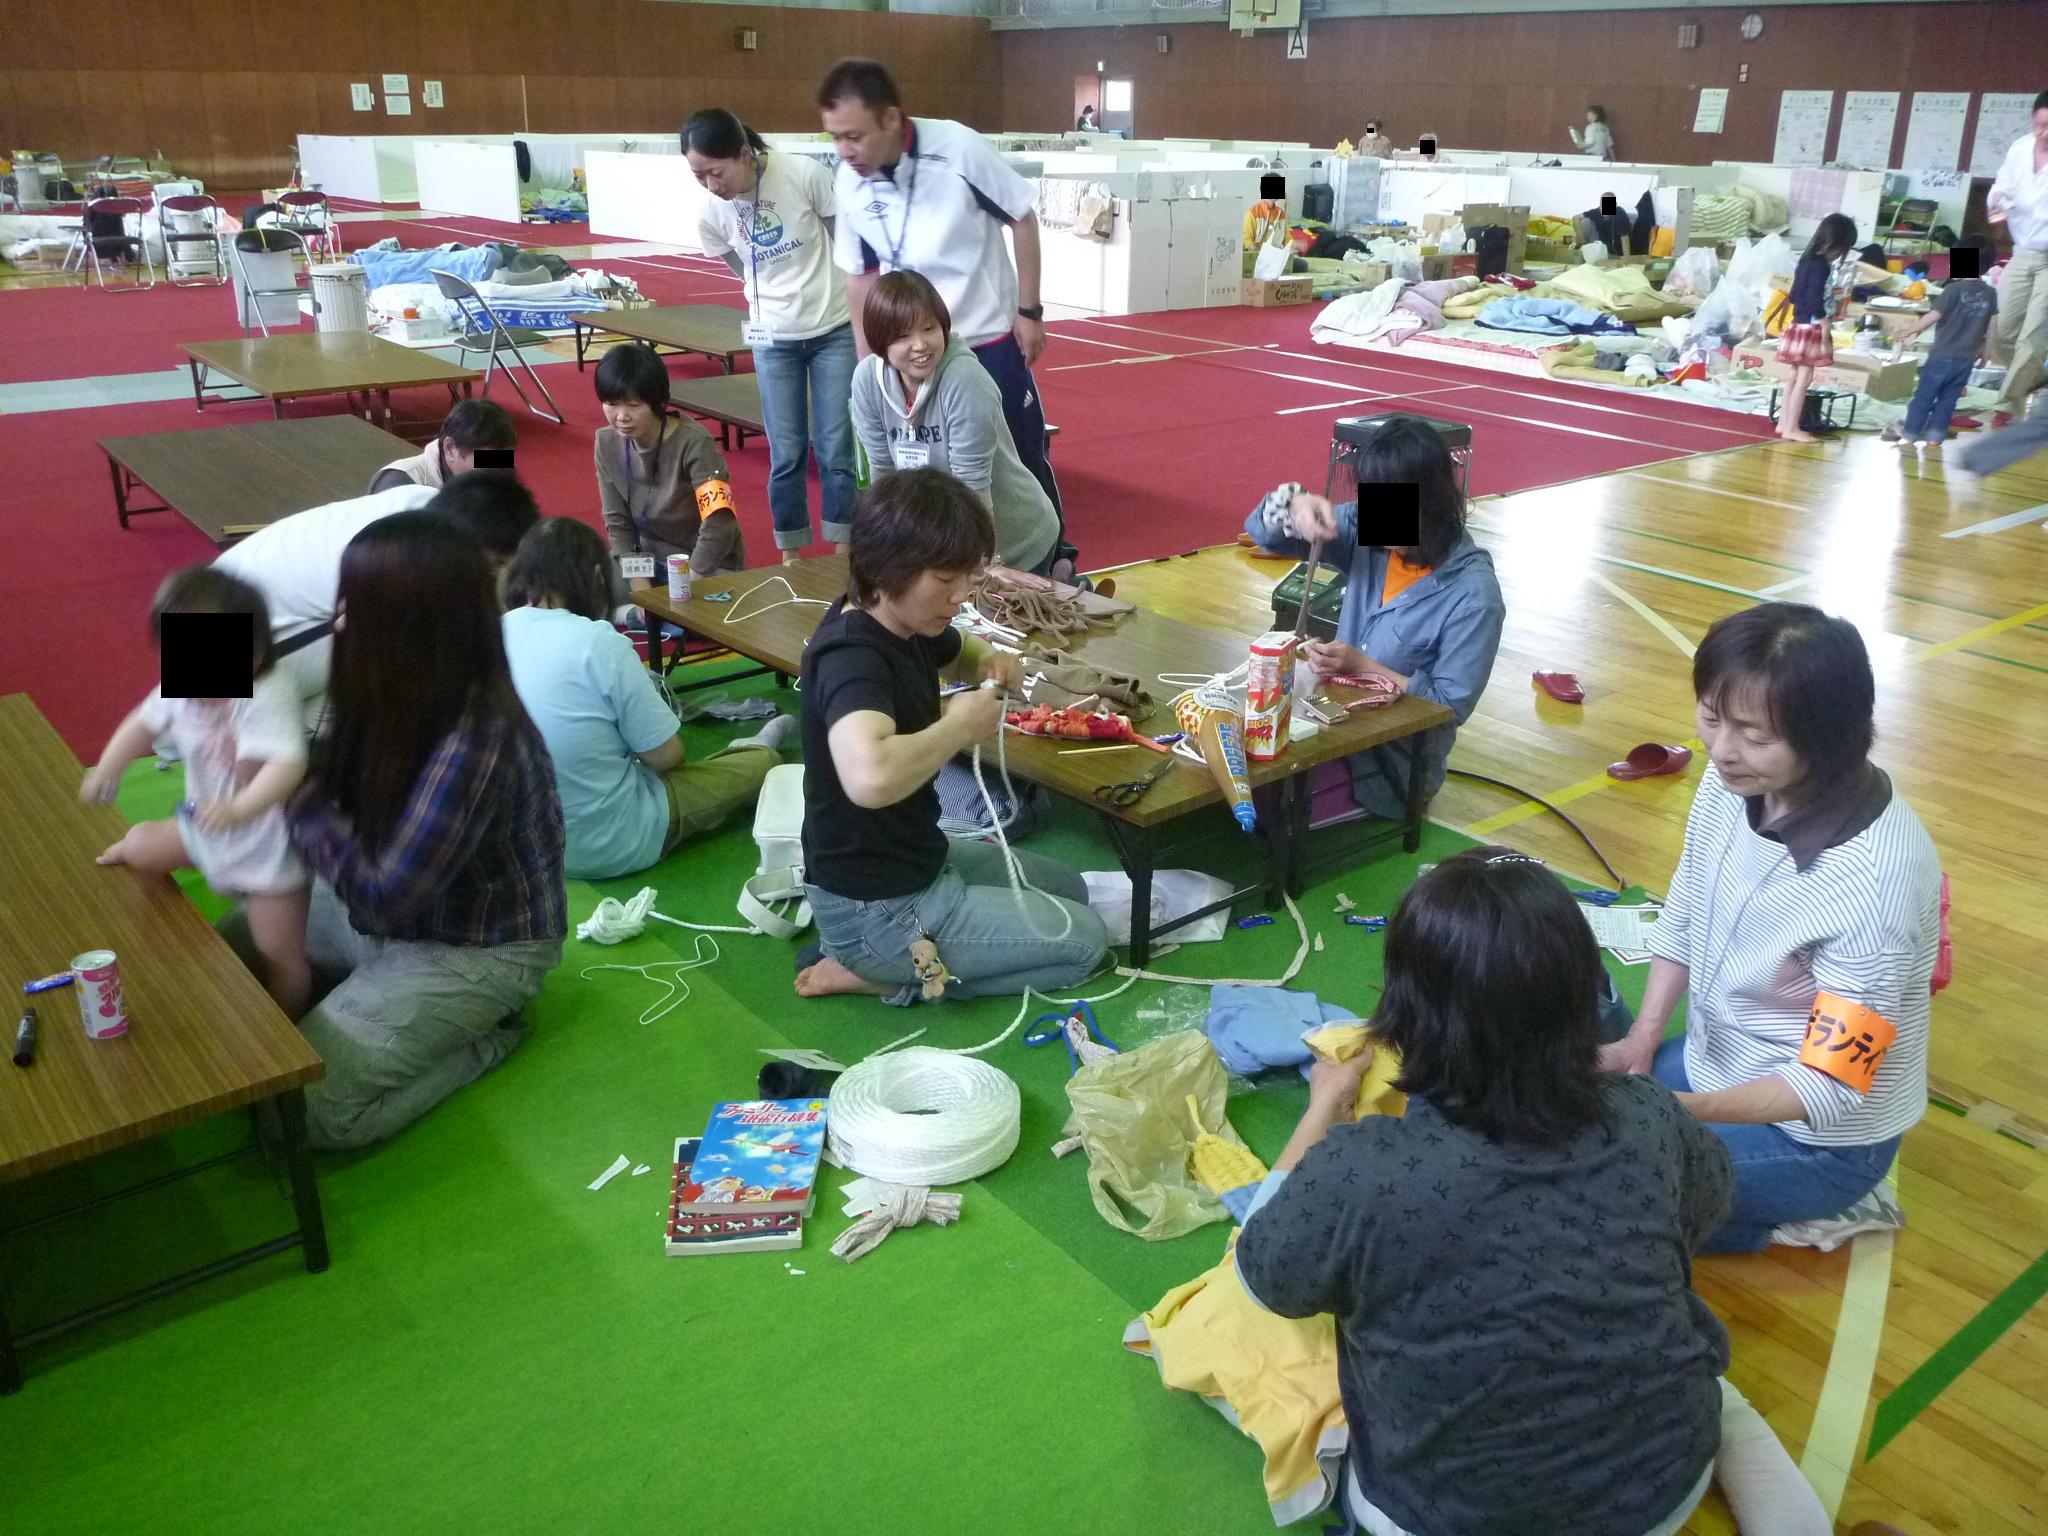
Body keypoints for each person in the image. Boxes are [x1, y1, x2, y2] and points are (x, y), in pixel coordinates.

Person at [1235, 850, 1831, 1536]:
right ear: (1583, 997)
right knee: (1720, 1399)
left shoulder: (1359, 1171)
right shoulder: (1648, 1112)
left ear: (1401, 1014)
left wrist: (1323, 1107)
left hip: (1441, 1515)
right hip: (1662, 1488)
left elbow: (1264, 1275)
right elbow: (1705, 1204)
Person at [1601, 603, 1941, 1253]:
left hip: (1821, 1139)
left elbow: (1829, 1086)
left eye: (1754, 735)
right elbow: (1688, 907)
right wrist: (1642, 1040)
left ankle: (1824, 1208)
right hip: (1719, 1065)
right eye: (1711, 717)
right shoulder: (1734, 780)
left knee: (1606, 1203)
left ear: (1827, 738)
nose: (1722, 751)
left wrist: (1678, 1115)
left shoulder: (1875, 887)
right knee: (1574, 1135)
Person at [246, 512, 567, 1150]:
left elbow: (384, 899)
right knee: (224, 972)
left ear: (408, 627)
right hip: (390, 908)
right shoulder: (385, 677)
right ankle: (370, 998)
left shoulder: (478, 740)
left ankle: (488, 1037)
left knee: (294, 1113)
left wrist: (294, 796)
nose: (338, 621)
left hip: (476, 951)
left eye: (355, 607)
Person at [792, 468, 1107, 1005]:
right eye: (945, 580)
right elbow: (869, 778)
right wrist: (959, 726)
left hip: (919, 859)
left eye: (966, 576)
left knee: (1071, 889)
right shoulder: (852, 658)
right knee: (1084, 945)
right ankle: (882, 974)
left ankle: (876, 956)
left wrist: (990, 659)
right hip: (879, 906)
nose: (960, 595)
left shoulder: (903, 622)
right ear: (890, 569)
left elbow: (958, 649)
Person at [817, 58, 1063, 516]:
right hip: (909, 351)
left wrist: (1030, 312)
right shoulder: (849, 181)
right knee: (929, 475)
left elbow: (1022, 218)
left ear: (891, 118)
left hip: (986, 341)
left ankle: (1056, 565)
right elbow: (859, 275)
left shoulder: (957, 148)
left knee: (1021, 463)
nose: (844, 150)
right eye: (835, 137)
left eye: (854, 136)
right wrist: (868, 359)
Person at [1242, 416, 1505, 827]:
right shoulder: (1374, 526)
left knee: (1261, 804)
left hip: (1390, 772)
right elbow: (1266, 535)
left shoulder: (1474, 595)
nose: (1373, 514)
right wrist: (1294, 504)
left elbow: (1449, 708)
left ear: (1430, 502)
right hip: (1328, 728)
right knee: (1231, 769)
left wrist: (1364, 668)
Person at [501, 517, 791, 879]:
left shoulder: (493, 632)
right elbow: (667, 757)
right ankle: (754, 749)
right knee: (757, 766)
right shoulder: (600, 642)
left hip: (522, 847)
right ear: (595, 576)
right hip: (613, 842)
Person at [84, 567, 311, 1016]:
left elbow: (287, 764)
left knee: (279, 955)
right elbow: (142, 722)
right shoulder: (185, 685)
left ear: (252, 655)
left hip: (268, 848)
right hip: (203, 828)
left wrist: (240, 807)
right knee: (141, 848)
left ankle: (290, 1025)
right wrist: (110, 764)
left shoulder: (265, 696)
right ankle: (144, 863)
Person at [209, 472, 538, 734]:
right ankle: (260, 746)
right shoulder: (405, 561)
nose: (495, 577)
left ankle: (301, 741)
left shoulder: (436, 509)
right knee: (398, 660)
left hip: (246, 617)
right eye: (494, 565)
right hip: (205, 660)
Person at [685, 108, 858, 562]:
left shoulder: (802, 174)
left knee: (836, 444)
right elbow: (738, 264)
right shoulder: (710, 210)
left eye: (716, 172)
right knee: (786, 452)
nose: (710, 185)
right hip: (772, 340)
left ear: (745, 154)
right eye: (698, 175)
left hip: (832, 330)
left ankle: (843, 546)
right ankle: (791, 551)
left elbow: (845, 241)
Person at [849, 271, 1060, 576]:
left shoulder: (965, 381)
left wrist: (982, 567)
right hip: (939, 545)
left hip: (1013, 541)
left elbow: (972, 490)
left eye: (929, 328)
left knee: (996, 621)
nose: (920, 345)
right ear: (881, 342)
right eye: (903, 336)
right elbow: (883, 476)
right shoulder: (867, 380)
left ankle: (1063, 578)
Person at [594, 341, 745, 599]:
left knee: (717, 610)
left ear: (658, 402)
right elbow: (617, 523)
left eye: (633, 405)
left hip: (702, 564)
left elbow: (720, 522)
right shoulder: (606, 442)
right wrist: (643, 595)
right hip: (646, 560)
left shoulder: (695, 442)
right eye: (611, 404)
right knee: (584, 587)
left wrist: (688, 583)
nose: (621, 416)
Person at [1882, 235, 1998, 450]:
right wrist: (1986, 352)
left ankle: (1909, 435)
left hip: (1942, 356)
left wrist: (1910, 330)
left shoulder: (1953, 290)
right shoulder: (1990, 293)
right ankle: (1935, 438)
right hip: (1966, 359)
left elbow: (1933, 316)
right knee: (1948, 401)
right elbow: (1992, 325)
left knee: (1923, 397)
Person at [1766, 212, 1858, 444]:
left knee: (1793, 376)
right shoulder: (1822, 267)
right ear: (1833, 243)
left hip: (1797, 325)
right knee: (1804, 379)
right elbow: (1815, 299)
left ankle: (1783, 424)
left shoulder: (1805, 261)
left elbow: (1796, 295)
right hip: (1812, 327)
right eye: (1842, 248)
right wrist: (1824, 322)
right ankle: (1793, 428)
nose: (1840, 254)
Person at [1985, 89, 2048, 426]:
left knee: (2033, 334)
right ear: (2033, 121)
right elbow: (2002, 186)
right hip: (2022, 251)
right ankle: (2036, 376)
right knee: (2003, 332)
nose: (2045, 133)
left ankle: (2007, 406)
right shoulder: (2020, 148)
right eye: (2041, 125)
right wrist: (1997, 201)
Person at [367, 398, 518, 493]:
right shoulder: (399, 485)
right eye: (487, 460)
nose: (498, 472)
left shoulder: (501, 469)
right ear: (451, 448)